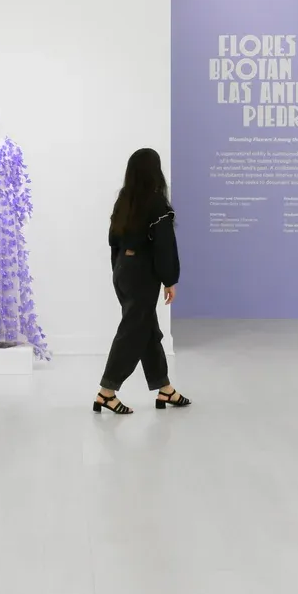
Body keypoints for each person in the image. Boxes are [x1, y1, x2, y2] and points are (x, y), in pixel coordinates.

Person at [94, 148, 189, 414]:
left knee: (146, 328)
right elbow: (164, 246)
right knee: (133, 331)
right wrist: (170, 279)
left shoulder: (124, 199)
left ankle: (165, 389)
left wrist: (119, 270)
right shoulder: (157, 203)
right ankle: (106, 392)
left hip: (123, 269)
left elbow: (113, 239)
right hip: (142, 274)